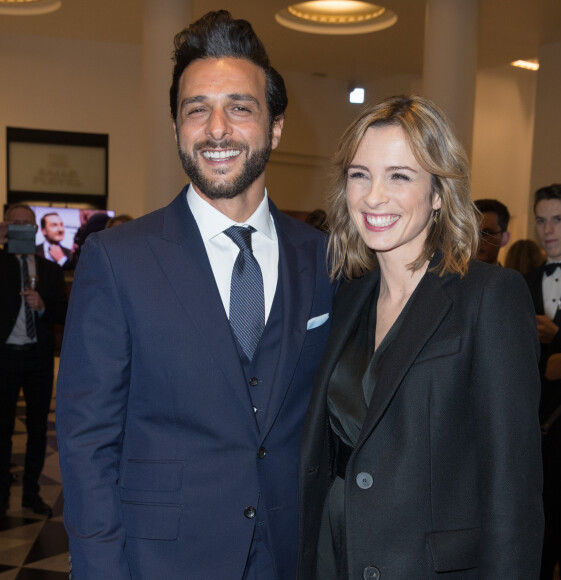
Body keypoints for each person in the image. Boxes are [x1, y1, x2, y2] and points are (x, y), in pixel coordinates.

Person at [56, 10, 335, 580]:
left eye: (240, 107)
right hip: (161, 559)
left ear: (275, 126)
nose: (216, 129)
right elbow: (86, 444)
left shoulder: (326, 259)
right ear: (177, 127)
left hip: (294, 554)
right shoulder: (118, 259)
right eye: (196, 110)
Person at [297, 95, 544, 579]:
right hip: (336, 555)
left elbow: (511, 488)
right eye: (360, 174)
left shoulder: (489, 296)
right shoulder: (347, 298)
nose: (373, 196)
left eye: (400, 176)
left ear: (438, 193)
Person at [524, 183, 561, 580]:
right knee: (537, 535)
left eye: (558, 219)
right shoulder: (519, 283)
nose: (548, 229)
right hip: (537, 432)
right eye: (541, 220)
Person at [0, 204, 67, 519]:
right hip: (5, 359)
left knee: (40, 430)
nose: (22, 228)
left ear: (35, 229)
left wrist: (42, 306)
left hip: (38, 360)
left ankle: (31, 493)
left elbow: (64, 311)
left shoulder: (50, 269)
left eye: (27, 224)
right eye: (16, 223)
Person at [474, 198, 510, 265]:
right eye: (471, 234)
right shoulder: (452, 274)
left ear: (504, 238)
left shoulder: (510, 275)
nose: (477, 241)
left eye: (485, 233)